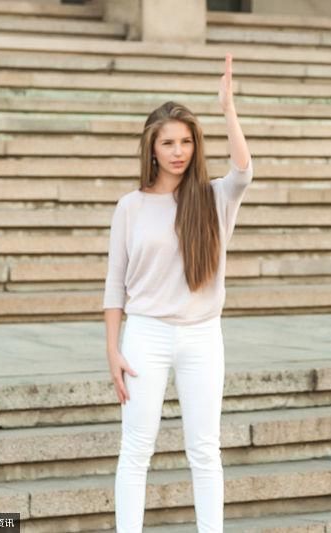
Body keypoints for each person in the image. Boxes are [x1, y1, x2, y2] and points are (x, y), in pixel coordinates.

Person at [103, 55, 250, 533]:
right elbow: (114, 284)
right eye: (168, 142)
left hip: (203, 337)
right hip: (145, 336)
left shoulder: (212, 198)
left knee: (204, 449)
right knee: (136, 448)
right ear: (152, 148)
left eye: (186, 141)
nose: (178, 150)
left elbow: (243, 171)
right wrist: (112, 350)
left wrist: (227, 108)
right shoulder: (130, 206)